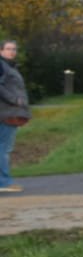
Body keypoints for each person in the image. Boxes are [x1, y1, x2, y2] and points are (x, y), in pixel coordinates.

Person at [0, 39, 30, 193]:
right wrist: (15, 100)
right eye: (8, 48)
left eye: (14, 49)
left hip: (8, 112)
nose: (12, 51)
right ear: (1, 51)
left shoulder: (10, 67)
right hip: (6, 113)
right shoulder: (2, 66)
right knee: (4, 148)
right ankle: (4, 182)